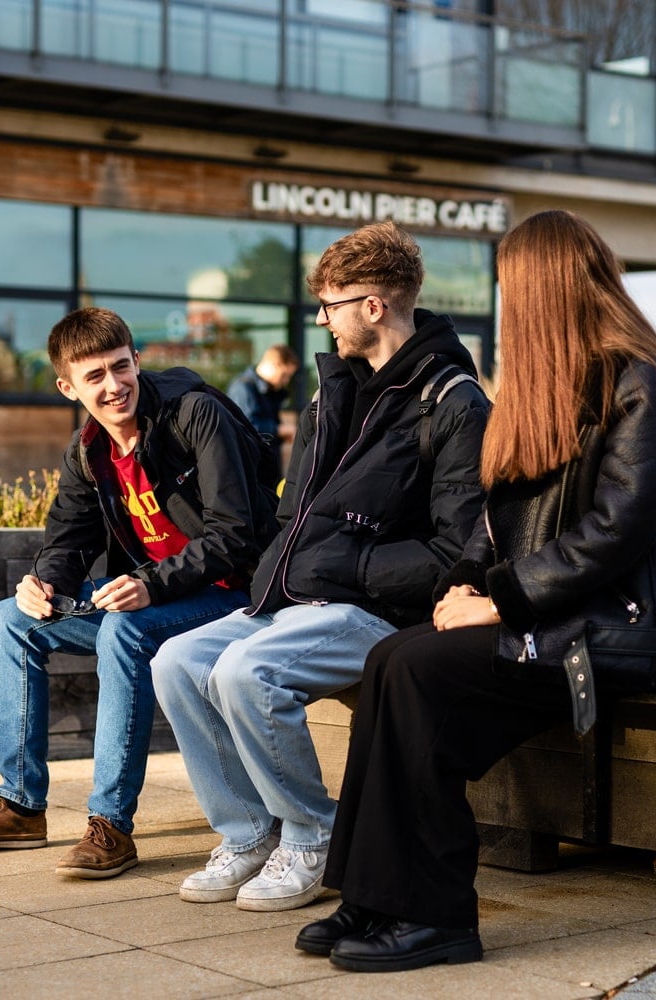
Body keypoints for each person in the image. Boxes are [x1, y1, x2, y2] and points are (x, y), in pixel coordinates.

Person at [297, 209, 656, 972]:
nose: (504, 304)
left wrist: (502, 599)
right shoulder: (553, 385)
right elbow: (497, 519)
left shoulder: (639, 382)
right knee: (392, 659)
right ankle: (372, 890)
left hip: (625, 630)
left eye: (510, 288)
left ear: (544, 287)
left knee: (417, 675)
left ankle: (435, 915)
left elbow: (614, 532)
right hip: (561, 618)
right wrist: (462, 584)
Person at [151, 220, 490, 913]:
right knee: (176, 662)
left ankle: (314, 834)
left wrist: (348, 564)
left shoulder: (453, 402)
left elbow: (457, 553)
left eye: (331, 305)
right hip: (297, 599)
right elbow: (293, 515)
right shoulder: (330, 393)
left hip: (379, 615)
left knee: (248, 672)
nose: (321, 320)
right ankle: (248, 831)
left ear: (374, 306)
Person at [0, 306, 278, 879]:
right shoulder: (88, 450)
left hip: (234, 596)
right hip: (156, 597)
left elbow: (235, 535)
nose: (114, 386)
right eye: (95, 377)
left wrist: (148, 583)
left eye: (121, 368)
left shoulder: (196, 414)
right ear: (68, 386)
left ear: (138, 360)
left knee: (125, 628)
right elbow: (66, 540)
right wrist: (45, 585)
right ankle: (20, 804)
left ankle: (111, 824)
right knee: (10, 619)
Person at [227, 344, 301, 464]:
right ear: (272, 366)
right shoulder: (242, 388)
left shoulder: (270, 391)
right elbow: (246, 427)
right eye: (284, 375)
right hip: (251, 465)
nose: (286, 381)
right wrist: (279, 430)